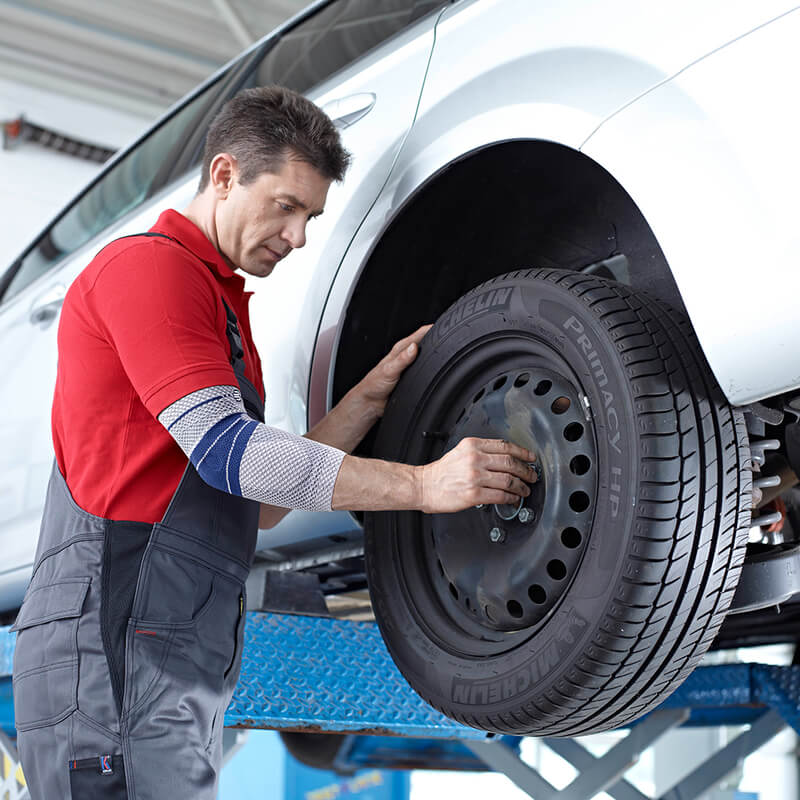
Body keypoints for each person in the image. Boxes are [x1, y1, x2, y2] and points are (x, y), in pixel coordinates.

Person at [11, 86, 537, 799]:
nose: (297, 237)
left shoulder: (221, 304)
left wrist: (363, 401)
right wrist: (422, 487)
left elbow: (255, 505)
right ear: (225, 175)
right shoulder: (151, 272)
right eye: (286, 206)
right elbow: (232, 455)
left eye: (310, 217)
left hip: (167, 658)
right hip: (113, 648)